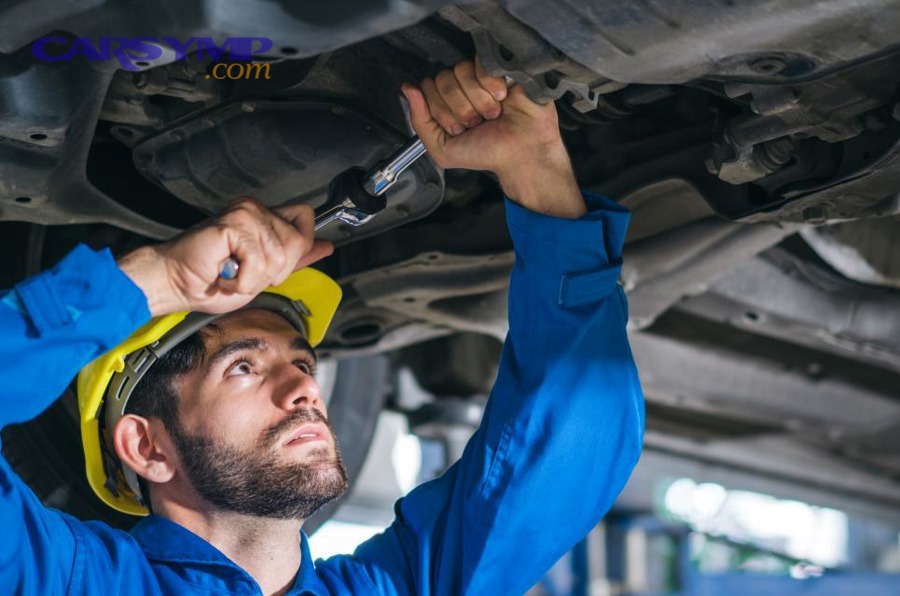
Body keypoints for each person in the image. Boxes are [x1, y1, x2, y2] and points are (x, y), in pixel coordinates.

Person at [0, 58, 644, 595]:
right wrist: (161, 280)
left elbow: (566, 446)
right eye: (244, 366)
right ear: (147, 448)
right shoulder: (61, 579)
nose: (303, 390)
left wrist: (533, 169)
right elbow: (580, 423)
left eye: (301, 363)